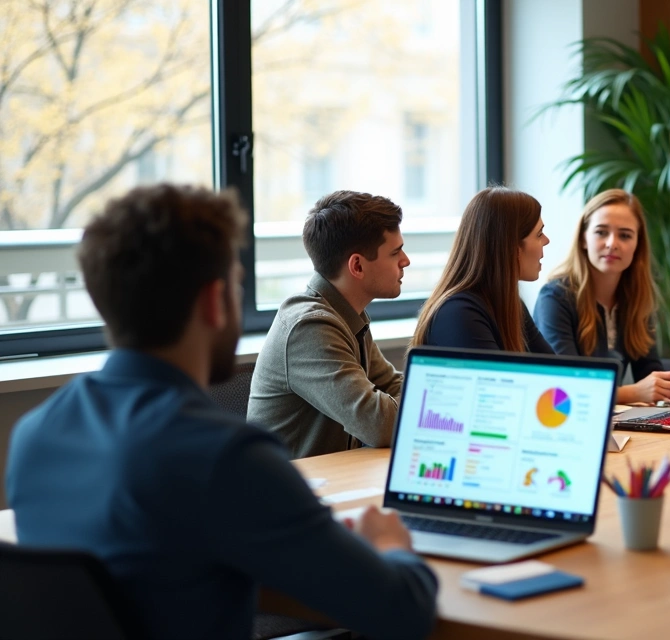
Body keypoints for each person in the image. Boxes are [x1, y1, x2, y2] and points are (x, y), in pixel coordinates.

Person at [5, 185, 437, 639]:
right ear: (215, 301)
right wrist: (391, 546)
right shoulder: (228, 458)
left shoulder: (34, 435)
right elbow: (401, 609)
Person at [248, 191, 411, 459]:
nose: (406, 261)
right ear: (357, 266)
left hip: (329, 483)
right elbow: (379, 424)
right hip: (284, 495)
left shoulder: (346, 314)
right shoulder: (310, 327)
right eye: (395, 253)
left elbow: (392, 385)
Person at [534, 189, 670, 405]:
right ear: (583, 239)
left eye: (625, 235)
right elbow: (568, 386)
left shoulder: (636, 297)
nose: (612, 243)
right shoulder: (555, 298)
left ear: (637, 245)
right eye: (601, 232)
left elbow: (649, 374)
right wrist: (633, 393)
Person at [413, 185, 555, 353]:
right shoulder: (459, 314)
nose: (547, 241)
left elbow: (555, 370)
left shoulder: (508, 303)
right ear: (510, 248)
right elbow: (498, 379)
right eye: (539, 234)